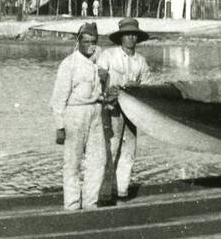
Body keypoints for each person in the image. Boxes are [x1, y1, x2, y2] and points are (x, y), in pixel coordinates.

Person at [50, 22, 108, 211]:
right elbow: (58, 98)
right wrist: (60, 126)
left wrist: (105, 79)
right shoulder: (69, 64)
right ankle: (72, 205)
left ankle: (91, 203)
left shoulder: (98, 63)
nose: (90, 46)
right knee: (72, 161)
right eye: (86, 42)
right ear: (78, 42)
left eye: (94, 42)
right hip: (75, 113)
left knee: (98, 160)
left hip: (95, 112)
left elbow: (103, 91)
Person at [97, 18, 153, 203]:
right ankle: (104, 192)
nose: (130, 38)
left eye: (133, 35)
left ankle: (121, 190)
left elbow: (149, 85)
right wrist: (108, 87)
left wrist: (137, 86)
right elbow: (99, 77)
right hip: (112, 108)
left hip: (133, 111)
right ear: (120, 37)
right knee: (111, 149)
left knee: (129, 150)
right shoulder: (108, 55)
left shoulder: (141, 61)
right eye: (127, 35)